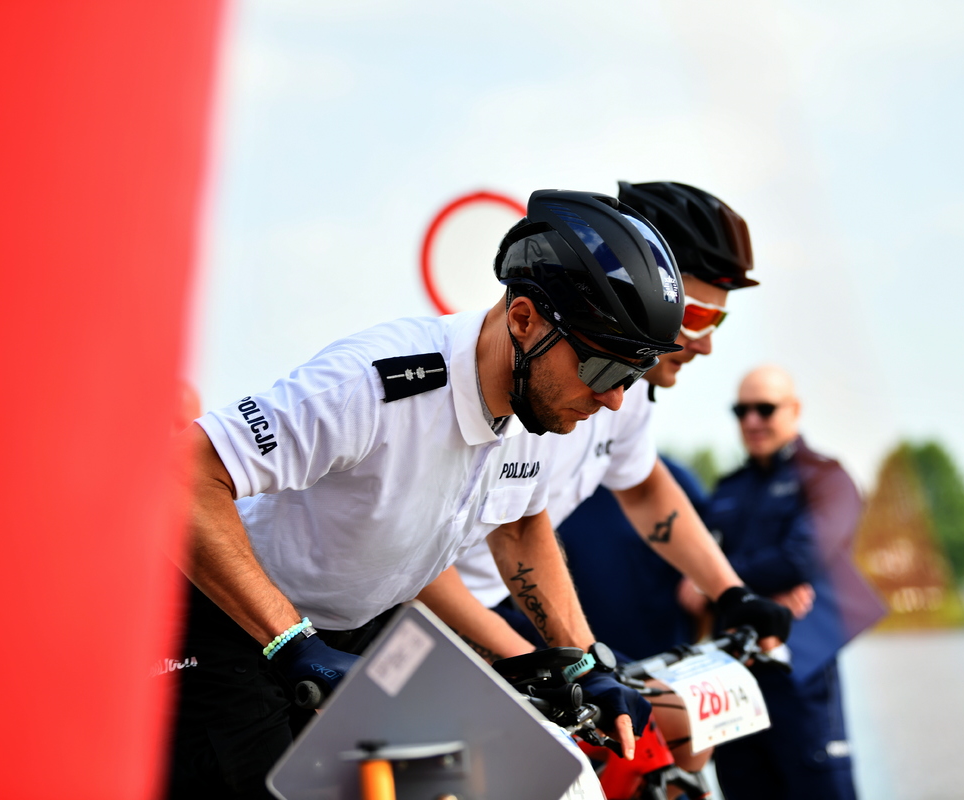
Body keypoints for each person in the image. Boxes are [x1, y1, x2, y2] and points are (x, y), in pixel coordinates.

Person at [167, 189, 683, 798]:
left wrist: (584, 660)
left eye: (632, 375)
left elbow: (521, 526)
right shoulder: (373, 384)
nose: (615, 399)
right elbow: (181, 475)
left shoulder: (541, 408)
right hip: (229, 618)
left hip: (352, 629)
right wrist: (289, 640)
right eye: (602, 369)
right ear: (523, 320)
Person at [423, 181, 794, 774]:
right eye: (697, 317)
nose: (704, 345)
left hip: (503, 602)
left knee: (683, 744)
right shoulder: (541, 385)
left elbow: (644, 487)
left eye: (717, 322)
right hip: (433, 613)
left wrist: (731, 593)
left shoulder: (626, 393)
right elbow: (419, 561)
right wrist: (544, 660)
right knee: (650, 739)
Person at [694, 365, 885, 800]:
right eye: (741, 411)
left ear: (795, 410)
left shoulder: (827, 479)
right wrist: (742, 585)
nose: (751, 420)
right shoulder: (727, 489)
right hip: (732, 679)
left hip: (800, 675)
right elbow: (689, 574)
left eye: (764, 409)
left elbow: (800, 558)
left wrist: (714, 581)